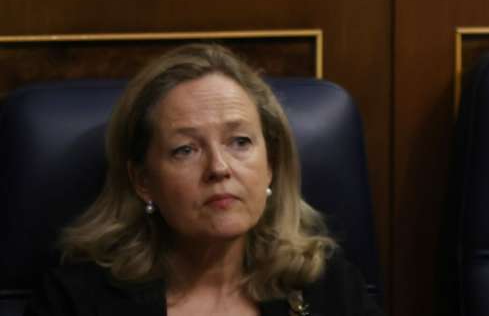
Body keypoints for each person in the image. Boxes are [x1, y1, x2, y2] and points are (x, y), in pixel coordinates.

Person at [24, 44, 382, 315]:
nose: (219, 168)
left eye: (239, 142)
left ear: (270, 165)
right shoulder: (74, 302)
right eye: (186, 150)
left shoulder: (328, 287)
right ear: (143, 181)